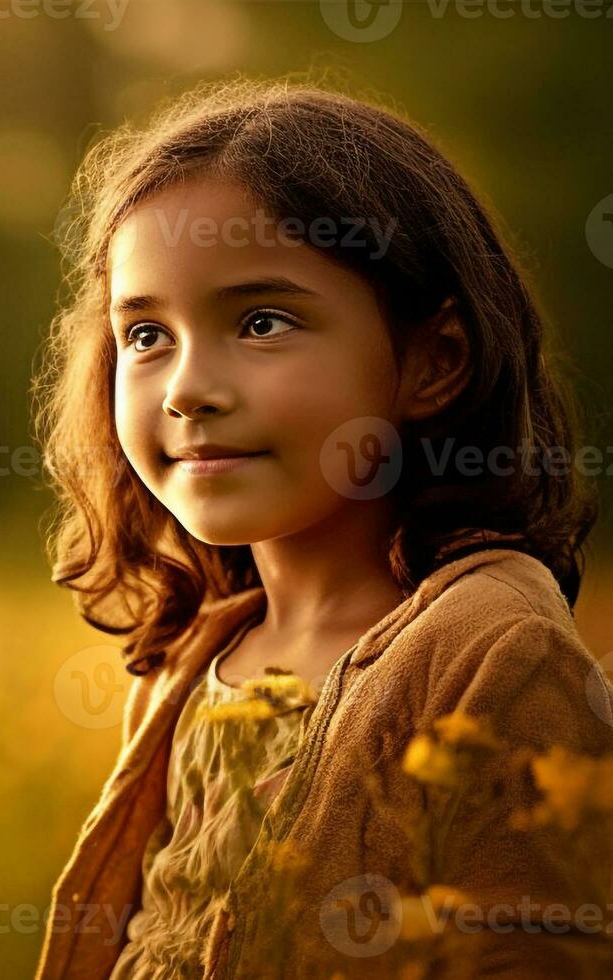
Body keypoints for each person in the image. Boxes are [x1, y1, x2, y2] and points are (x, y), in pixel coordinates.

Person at [33, 81, 612, 978]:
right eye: (146, 335)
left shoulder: (491, 651)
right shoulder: (196, 657)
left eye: (261, 322)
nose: (186, 388)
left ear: (434, 362)